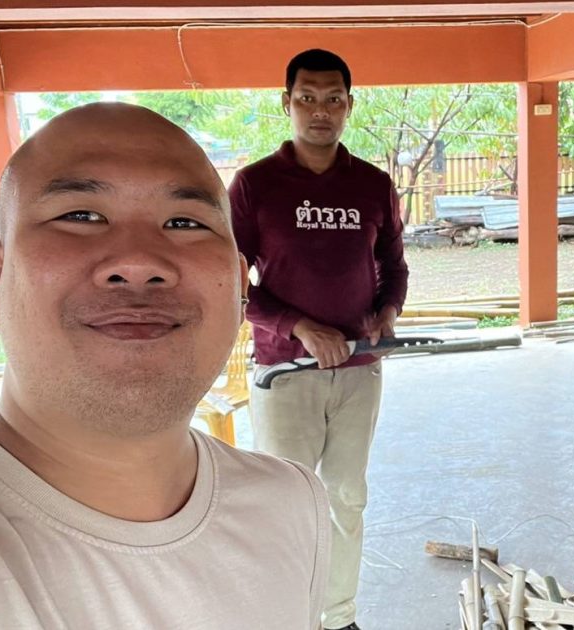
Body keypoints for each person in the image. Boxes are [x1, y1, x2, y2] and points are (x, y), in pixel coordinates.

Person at [0, 103, 329, 630]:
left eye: (184, 222)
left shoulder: (291, 503)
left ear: (238, 285)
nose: (139, 263)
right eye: (80, 216)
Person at [229, 48, 408, 630]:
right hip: (286, 373)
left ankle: (339, 616)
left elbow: (393, 266)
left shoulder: (373, 184)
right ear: (287, 103)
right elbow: (229, 284)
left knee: (346, 498)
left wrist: (386, 312)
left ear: (349, 105)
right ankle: (287, 616)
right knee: (286, 501)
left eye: (333, 99)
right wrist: (299, 328)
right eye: (307, 98)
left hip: (359, 369)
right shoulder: (255, 185)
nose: (320, 111)